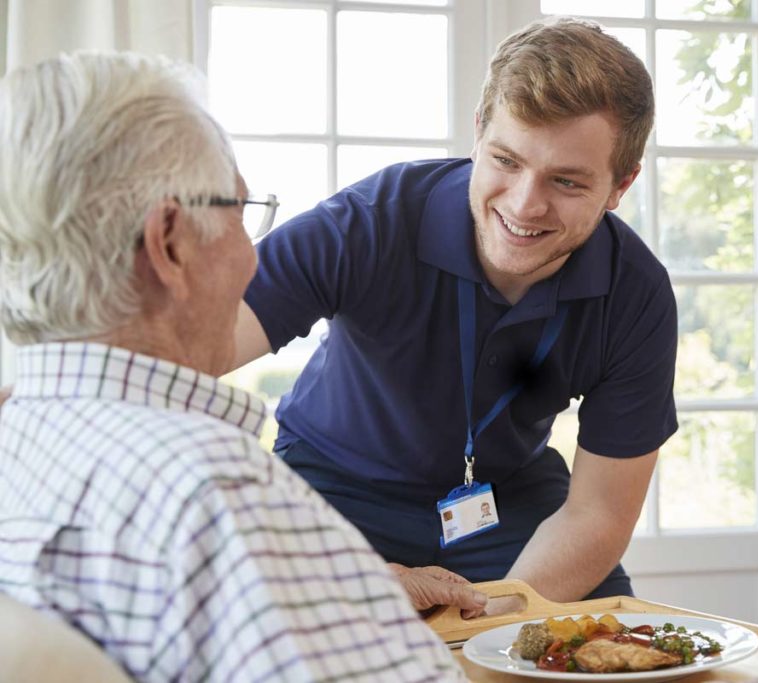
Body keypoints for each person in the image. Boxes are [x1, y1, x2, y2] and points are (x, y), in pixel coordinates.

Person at [0, 51, 475, 681]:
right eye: (238, 213)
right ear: (168, 242)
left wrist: (330, 582)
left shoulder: (18, 435)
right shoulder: (217, 490)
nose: (253, 258)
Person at [232, 16, 678, 604]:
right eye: (507, 160)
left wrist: (486, 620)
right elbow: (177, 348)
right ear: (478, 134)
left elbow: (597, 515)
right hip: (332, 491)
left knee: (602, 648)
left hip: (506, 502)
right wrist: (350, 584)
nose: (525, 205)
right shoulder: (368, 224)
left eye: (567, 182)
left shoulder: (636, 293)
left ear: (621, 185)